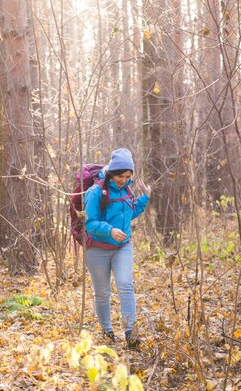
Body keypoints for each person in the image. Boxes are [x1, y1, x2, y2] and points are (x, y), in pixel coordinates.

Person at [84, 148, 151, 348]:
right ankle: (107, 331)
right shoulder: (96, 191)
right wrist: (110, 230)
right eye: (121, 176)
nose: (124, 180)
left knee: (125, 284)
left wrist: (145, 198)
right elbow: (89, 222)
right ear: (112, 172)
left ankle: (130, 332)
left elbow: (129, 213)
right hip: (97, 249)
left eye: (128, 176)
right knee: (103, 292)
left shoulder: (127, 189)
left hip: (123, 246)